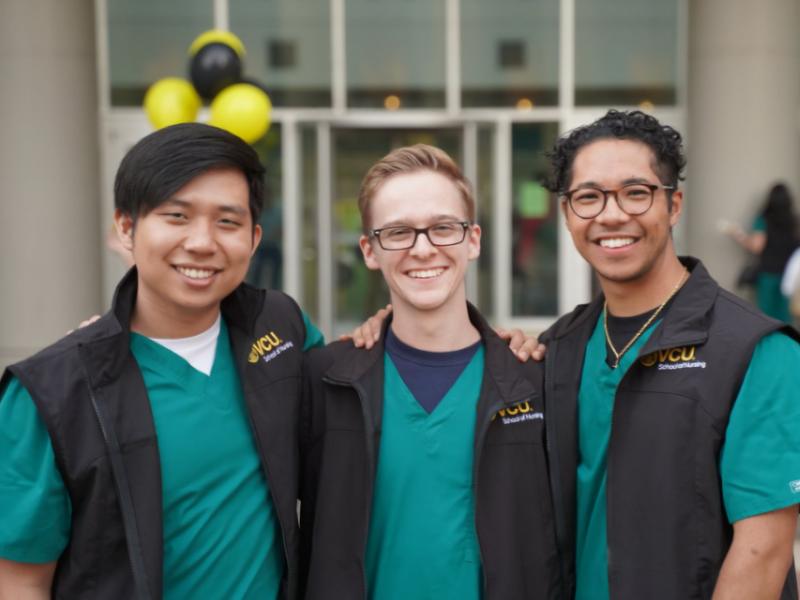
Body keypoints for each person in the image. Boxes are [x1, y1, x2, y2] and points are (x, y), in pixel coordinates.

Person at [0, 123, 326, 599]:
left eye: (227, 222)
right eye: (176, 216)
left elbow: (352, 402)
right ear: (126, 227)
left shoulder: (279, 328)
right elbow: (21, 581)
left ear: (255, 239)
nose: (201, 242)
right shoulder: (51, 393)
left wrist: (387, 324)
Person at [539, 110, 800, 600]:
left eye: (636, 193)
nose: (611, 215)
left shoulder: (756, 351)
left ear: (673, 204)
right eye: (588, 197)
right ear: (568, 214)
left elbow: (763, 552)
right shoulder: (557, 349)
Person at [299, 144, 562, 599]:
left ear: (473, 240)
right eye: (398, 232)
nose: (423, 250)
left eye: (443, 228)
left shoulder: (536, 382)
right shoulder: (324, 382)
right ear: (369, 249)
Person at [726, 182, 799, 322]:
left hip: (768, 275)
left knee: (766, 320)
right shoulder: (794, 221)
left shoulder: (764, 219)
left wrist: (737, 234)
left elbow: (756, 246)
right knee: (785, 319)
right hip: (788, 277)